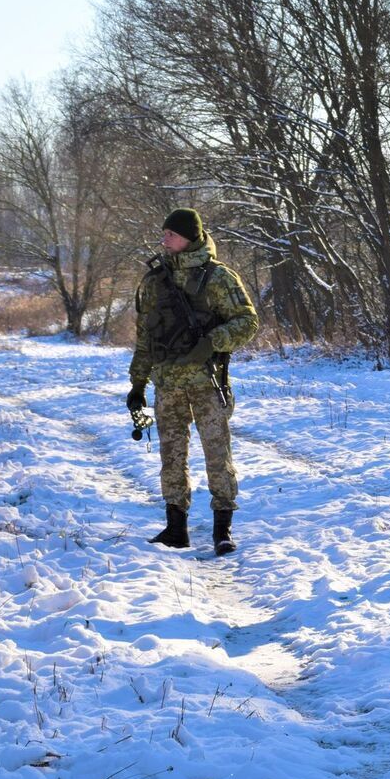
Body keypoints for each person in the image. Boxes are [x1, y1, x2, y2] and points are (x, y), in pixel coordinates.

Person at [127, 208, 259, 555]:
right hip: (167, 384)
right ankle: (176, 529)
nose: (164, 240)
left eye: (170, 234)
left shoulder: (218, 277)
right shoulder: (155, 281)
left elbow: (247, 322)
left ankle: (222, 530)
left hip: (207, 382)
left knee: (217, 455)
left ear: (189, 236)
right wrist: (138, 385)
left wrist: (211, 342)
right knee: (171, 456)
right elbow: (145, 338)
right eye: (164, 234)